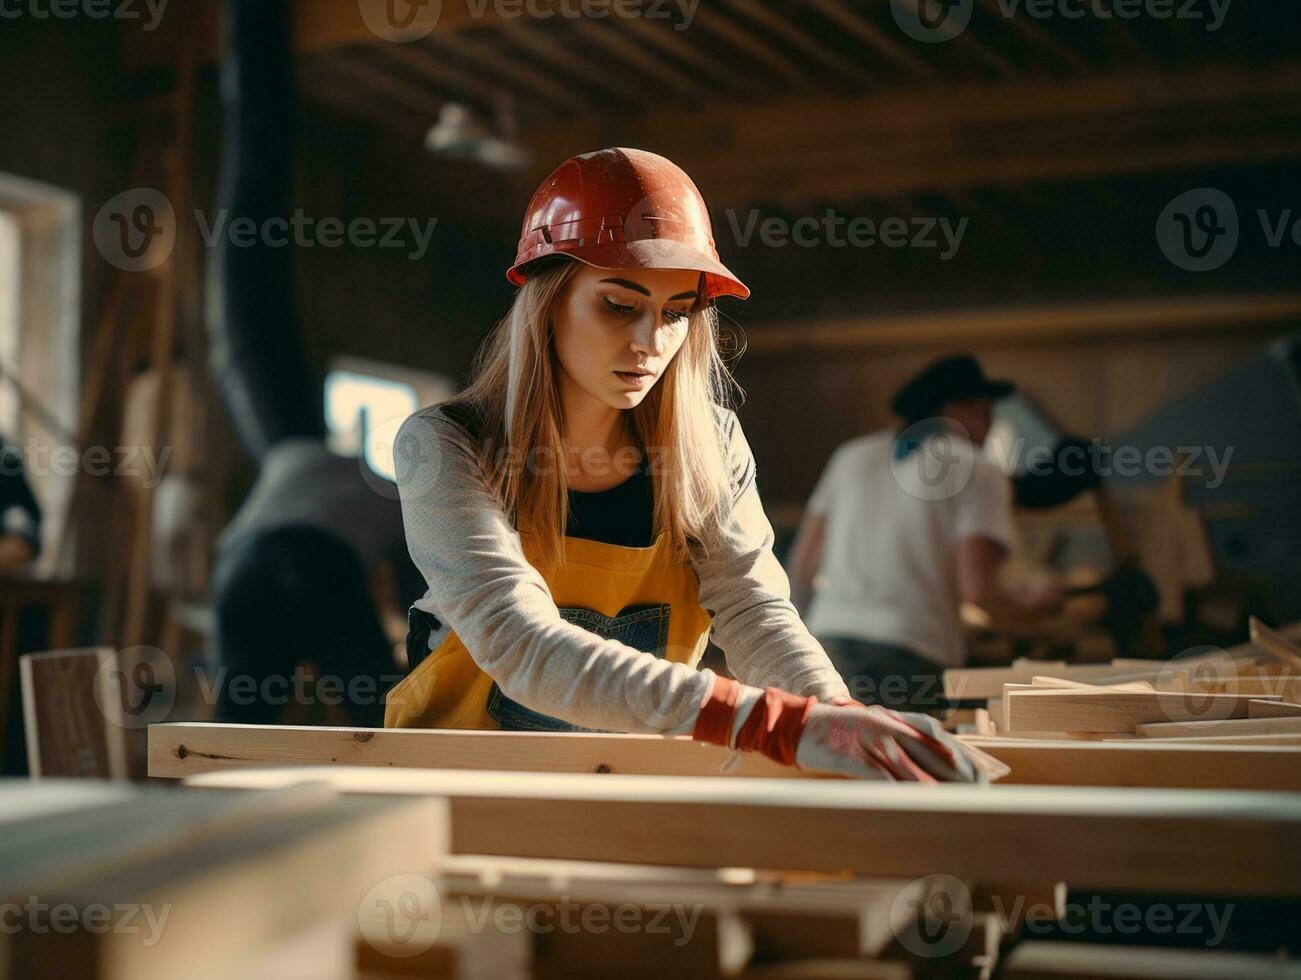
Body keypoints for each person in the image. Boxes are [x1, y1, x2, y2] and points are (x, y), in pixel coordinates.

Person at [383, 147, 988, 783]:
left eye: (675, 313)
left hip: (625, 784)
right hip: (452, 788)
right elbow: (518, 641)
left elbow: (753, 610)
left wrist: (832, 712)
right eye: (619, 305)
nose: (650, 342)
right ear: (547, 299)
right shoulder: (447, 445)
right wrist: (770, 724)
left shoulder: (710, 446)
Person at [788, 355, 1061, 710]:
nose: (991, 422)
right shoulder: (978, 468)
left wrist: (795, 647)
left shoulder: (851, 457)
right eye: (986, 410)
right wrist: (1036, 609)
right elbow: (980, 591)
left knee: (831, 761)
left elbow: (803, 564)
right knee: (903, 763)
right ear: (961, 408)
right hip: (909, 655)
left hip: (827, 646)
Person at [212, 439, 419, 727]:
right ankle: (406, 767)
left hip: (237, 568)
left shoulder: (290, 454)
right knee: (381, 710)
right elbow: (415, 597)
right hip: (320, 563)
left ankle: (218, 766)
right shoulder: (395, 497)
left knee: (241, 714)